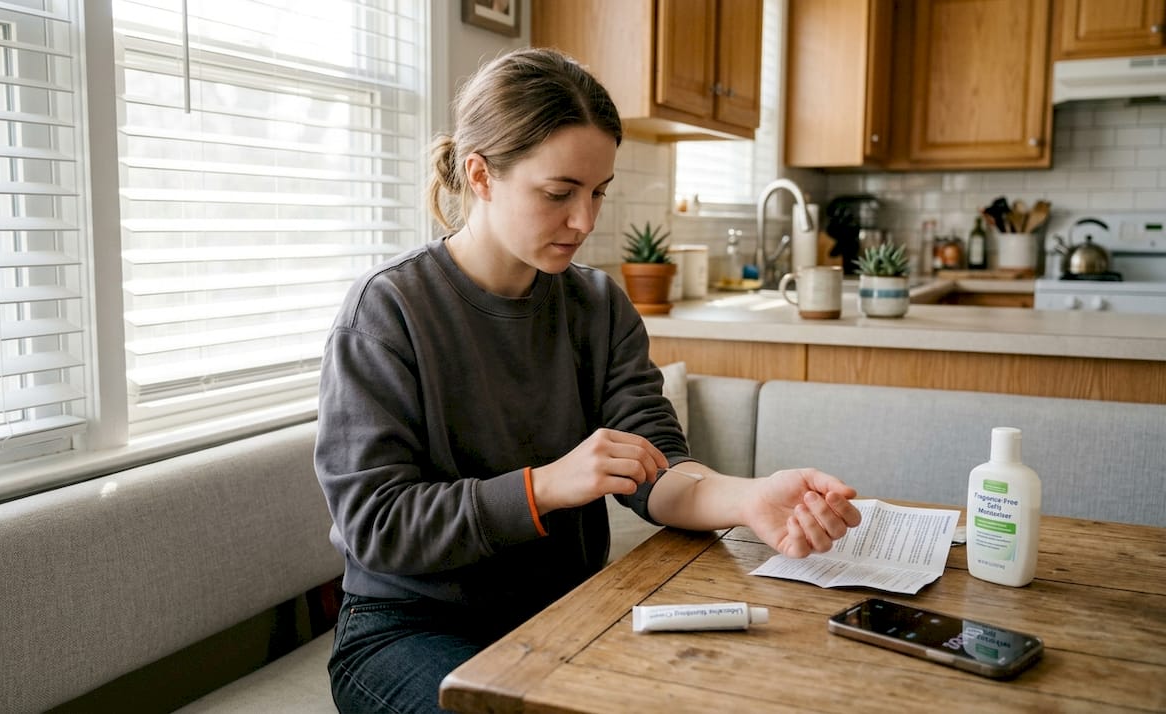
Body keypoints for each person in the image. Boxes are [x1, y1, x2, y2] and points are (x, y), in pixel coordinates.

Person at [314, 47, 862, 714]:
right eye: (559, 193)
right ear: (480, 175)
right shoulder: (387, 310)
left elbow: (657, 468)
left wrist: (751, 499)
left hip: (569, 613)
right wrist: (545, 487)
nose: (586, 221)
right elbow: (377, 525)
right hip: (408, 628)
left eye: (598, 192)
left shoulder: (598, 306)